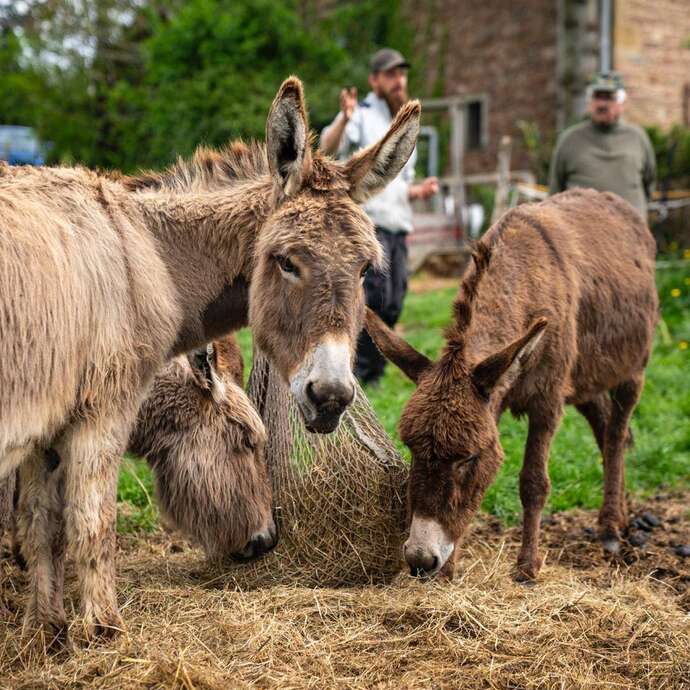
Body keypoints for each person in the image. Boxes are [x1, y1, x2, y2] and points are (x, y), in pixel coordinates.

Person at [321, 48, 439, 384]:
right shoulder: (360, 114)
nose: (398, 80)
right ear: (374, 80)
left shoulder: (402, 123)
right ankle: (359, 373)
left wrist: (418, 192)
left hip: (398, 226)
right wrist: (343, 118)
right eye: (390, 74)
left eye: (401, 73)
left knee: (394, 303)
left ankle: (371, 372)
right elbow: (328, 148)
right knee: (372, 301)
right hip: (369, 226)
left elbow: (398, 183)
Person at [549, 72, 656, 218]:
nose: (602, 104)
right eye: (597, 96)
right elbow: (555, 191)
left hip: (630, 232)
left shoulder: (637, 137)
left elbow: (649, 183)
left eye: (609, 97)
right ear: (589, 101)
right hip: (581, 232)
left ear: (622, 103)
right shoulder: (570, 139)